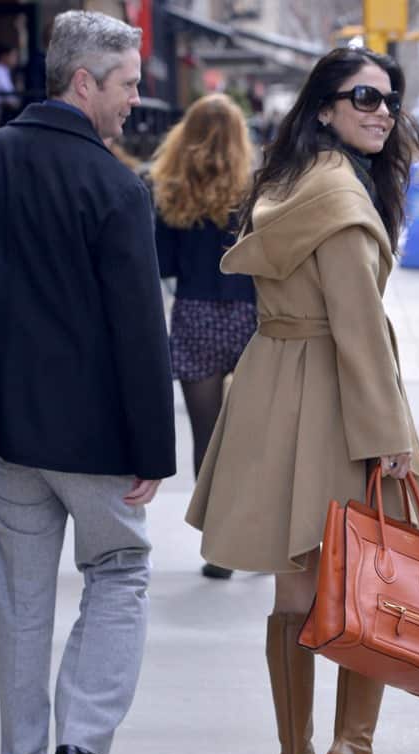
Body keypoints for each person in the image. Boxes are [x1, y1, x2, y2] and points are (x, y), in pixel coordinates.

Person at [186, 46, 419, 754]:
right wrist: (390, 438)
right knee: (368, 592)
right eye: (363, 97)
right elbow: (358, 328)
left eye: (389, 99)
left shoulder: (287, 183)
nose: (382, 110)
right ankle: (350, 752)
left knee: (294, 598)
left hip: (272, 392)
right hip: (339, 402)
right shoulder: (343, 201)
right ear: (323, 105)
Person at [0, 11, 175, 754]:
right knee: (119, 571)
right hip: (96, 440)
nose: (134, 100)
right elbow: (137, 331)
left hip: (9, 432)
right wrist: (154, 447)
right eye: (125, 84)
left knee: (20, 605)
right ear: (83, 82)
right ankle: (83, 740)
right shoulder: (114, 186)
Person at [150, 93, 256, 580]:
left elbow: (163, 264)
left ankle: (217, 547)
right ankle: (264, 540)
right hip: (252, 316)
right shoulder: (258, 190)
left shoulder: (170, 190)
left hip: (195, 314)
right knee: (260, 434)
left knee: (207, 437)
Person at [0, 43, 21, 127]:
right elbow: (8, 95)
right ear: (3, 56)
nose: (15, 59)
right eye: (13, 56)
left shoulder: (4, 70)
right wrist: (15, 103)